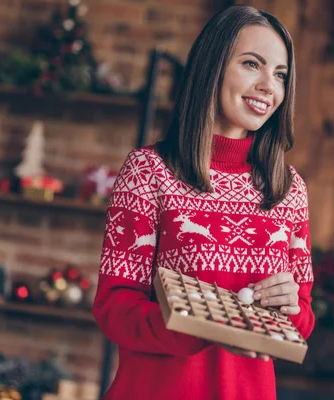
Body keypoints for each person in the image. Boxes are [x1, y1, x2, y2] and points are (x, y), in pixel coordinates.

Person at [92, 4, 315, 400]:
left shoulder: (288, 189)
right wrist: (203, 327)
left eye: (280, 74)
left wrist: (292, 308)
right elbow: (115, 309)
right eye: (252, 64)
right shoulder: (148, 171)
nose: (270, 86)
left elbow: (301, 323)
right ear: (212, 68)